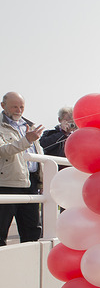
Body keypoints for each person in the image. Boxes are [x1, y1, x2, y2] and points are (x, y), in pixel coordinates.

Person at [0, 92, 43, 247]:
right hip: (7, 184)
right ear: (3, 106)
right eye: (14, 106)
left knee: (32, 231)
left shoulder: (29, 126)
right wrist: (27, 140)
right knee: (1, 230)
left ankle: (31, 267)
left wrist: (42, 180)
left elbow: (38, 155)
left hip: (30, 183)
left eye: (21, 107)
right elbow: (3, 150)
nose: (18, 110)